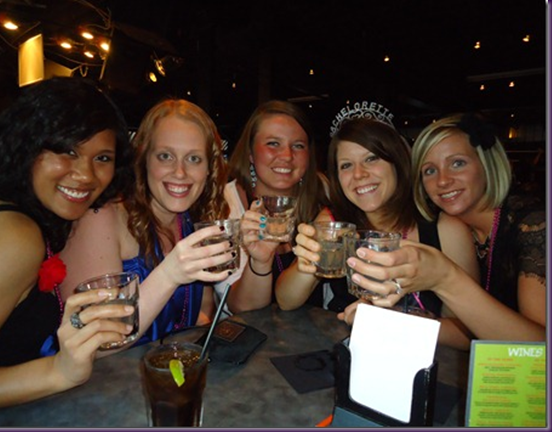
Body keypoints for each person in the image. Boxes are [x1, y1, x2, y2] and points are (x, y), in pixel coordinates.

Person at [0, 77, 137, 412]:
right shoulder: (13, 234)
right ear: (27, 145)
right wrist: (58, 373)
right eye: (67, 150)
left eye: (102, 158)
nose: (86, 174)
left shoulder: (29, 218)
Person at [277, 110, 480, 350]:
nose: (359, 174)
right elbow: (286, 301)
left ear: (397, 162)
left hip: (424, 362)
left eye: (372, 159)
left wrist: (392, 322)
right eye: (346, 165)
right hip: (343, 355)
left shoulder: (445, 229)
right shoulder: (334, 223)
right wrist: (308, 262)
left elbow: (468, 334)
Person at [343, 112, 546, 342]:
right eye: (430, 170)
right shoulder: (452, 228)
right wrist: (389, 320)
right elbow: (468, 334)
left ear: (487, 163)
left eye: (457, 163)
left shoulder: (535, 226)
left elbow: (541, 350)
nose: (442, 180)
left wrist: (445, 278)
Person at [59, 98, 235, 345]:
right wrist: (170, 274)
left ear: (209, 168)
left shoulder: (191, 220)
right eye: (165, 156)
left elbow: (202, 311)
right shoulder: (100, 218)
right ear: (143, 159)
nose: (180, 172)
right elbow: (96, 344)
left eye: (194, 159)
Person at [223, 100, 330, 313]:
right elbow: (240, 309)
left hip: (319, 330)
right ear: (250, 153)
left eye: (298, 146)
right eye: (273, 143)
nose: (287, 156)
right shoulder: (226, 204)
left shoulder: (323, 195)